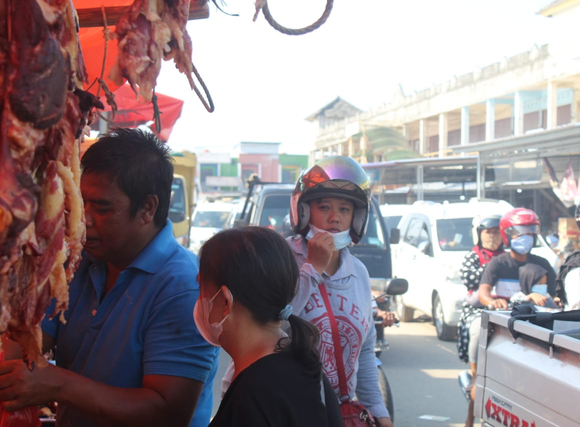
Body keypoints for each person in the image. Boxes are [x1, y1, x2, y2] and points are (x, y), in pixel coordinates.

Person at [0, 128, 219, 427]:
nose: (82, 219)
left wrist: (57, 384)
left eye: (101, 208)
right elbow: (25, 343)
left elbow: (168, 411)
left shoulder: (182, 287)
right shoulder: (79, 264)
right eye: (79, 202)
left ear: (147, 208)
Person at [197, 227, 341, 427]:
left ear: (224, 302)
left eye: (200, 288)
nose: (197, 300)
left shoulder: (253, 393)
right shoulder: (308, 371)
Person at [288, 156, 392, 426]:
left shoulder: (358, 272)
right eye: (324, 207)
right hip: (286, 409)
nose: (334, 218)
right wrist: (312, 268)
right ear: (304, 210)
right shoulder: (281, 258)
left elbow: (365, 350)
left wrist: (379, 412)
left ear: (356, 217)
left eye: (345, 210)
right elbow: (269, 326)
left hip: (337, 414)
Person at [456, 214, 503, 427]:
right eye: (488, 232)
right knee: (478, 330)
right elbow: (470, 278)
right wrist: (494, 270)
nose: (493, 236)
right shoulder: (473, 256)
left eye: (497, 232)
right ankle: (476, 374)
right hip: (478, 309)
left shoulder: (509, 256)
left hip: (506, 309)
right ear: (479, 234)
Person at [478, 208, 560, 311]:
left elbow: (556, 293)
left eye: (529, 233)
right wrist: (493, 302)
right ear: (507, 235)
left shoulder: (542, 264)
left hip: (536, 319)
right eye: (520, 232)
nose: (525, 237)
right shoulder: (498, 263)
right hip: (505, 318)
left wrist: (556, 301)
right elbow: (483, 293)